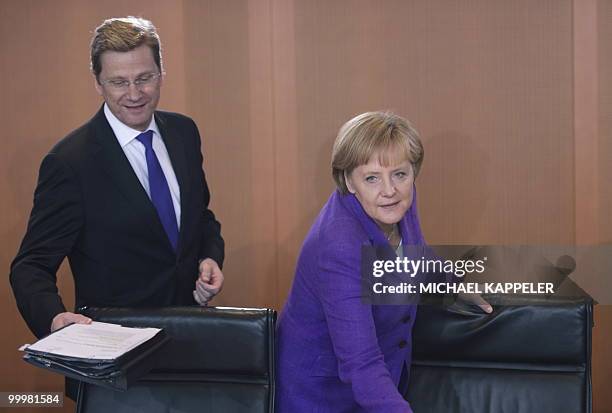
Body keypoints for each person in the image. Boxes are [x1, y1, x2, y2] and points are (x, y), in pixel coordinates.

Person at [10, 16, 224, 340]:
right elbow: (30, 266)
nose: (135, 93)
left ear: (161, 73)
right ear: (98, 82)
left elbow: (200, 217)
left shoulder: (184, 132)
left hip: (189, 336)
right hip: (113, 354)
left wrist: (210, 257)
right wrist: (53, 319)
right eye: (119, 82)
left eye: (144, 78)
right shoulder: (69, 162)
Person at [276, 111, 491, 412]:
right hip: (324, 397)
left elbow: (413, 254)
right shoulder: (338, 245)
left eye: (399, 174)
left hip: (379, 386)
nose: (389, 190)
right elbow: (360, 362)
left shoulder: (400, 202)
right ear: (349, 181)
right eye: (372, 178)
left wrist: (453, 283)